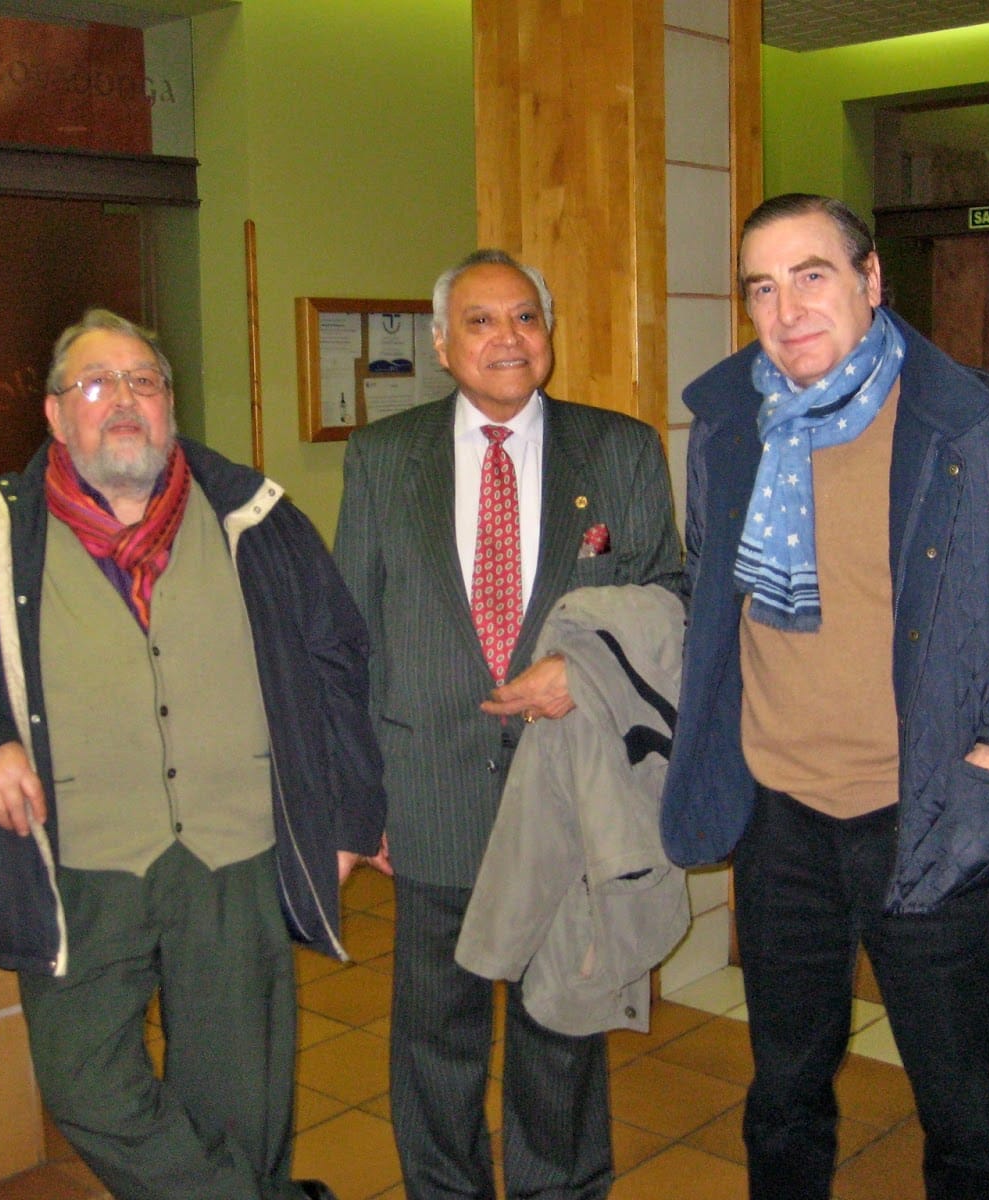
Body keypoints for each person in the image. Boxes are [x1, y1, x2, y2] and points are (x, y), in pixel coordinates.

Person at [660, 195, 989, 1200]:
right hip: (781, 816)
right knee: (781, 1089)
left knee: (959, 1106)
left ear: (869, 282)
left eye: (811, 275)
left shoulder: (977, 422)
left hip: (926, 813)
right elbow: (709, 590)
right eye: (761, 288)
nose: (785, 310)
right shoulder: (730, 424)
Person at [0, 308, 384, 1200]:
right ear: (53, 413)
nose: (123, 401)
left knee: (242, 1104)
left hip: (236, 853)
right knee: (85, 1085)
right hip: (77, 857)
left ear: (170, 406)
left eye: (144, 382)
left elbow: (339, 661)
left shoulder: (255, 517)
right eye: (96, 383)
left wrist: (348, 821)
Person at [333, 249, 682, 1200]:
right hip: (428, 794)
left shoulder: (620, 449)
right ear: (443, 344)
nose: (508, 339)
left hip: (564, 790)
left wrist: (589, 667)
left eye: (526, 319)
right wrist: (360, 807)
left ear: (550, 336)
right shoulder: (382, 457)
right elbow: (349, 639)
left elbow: (673, 597)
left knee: (560, 1031)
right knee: (434, 1040)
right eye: (482, 321)